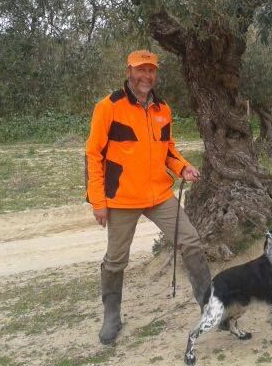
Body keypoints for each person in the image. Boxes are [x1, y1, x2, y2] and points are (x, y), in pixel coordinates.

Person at [85, 49, 211, 345]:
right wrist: (98, 202)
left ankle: (210, 305)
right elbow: (93, 154)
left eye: (151, 70)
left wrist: (183, 167)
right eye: (140, 70)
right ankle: (112, 316)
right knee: (116, 260)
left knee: (191, 241)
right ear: (129, 72)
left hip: (158, 194)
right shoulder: (109, 107)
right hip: (121, 199)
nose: (146, 76)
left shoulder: (162, 109)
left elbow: (168, 149)